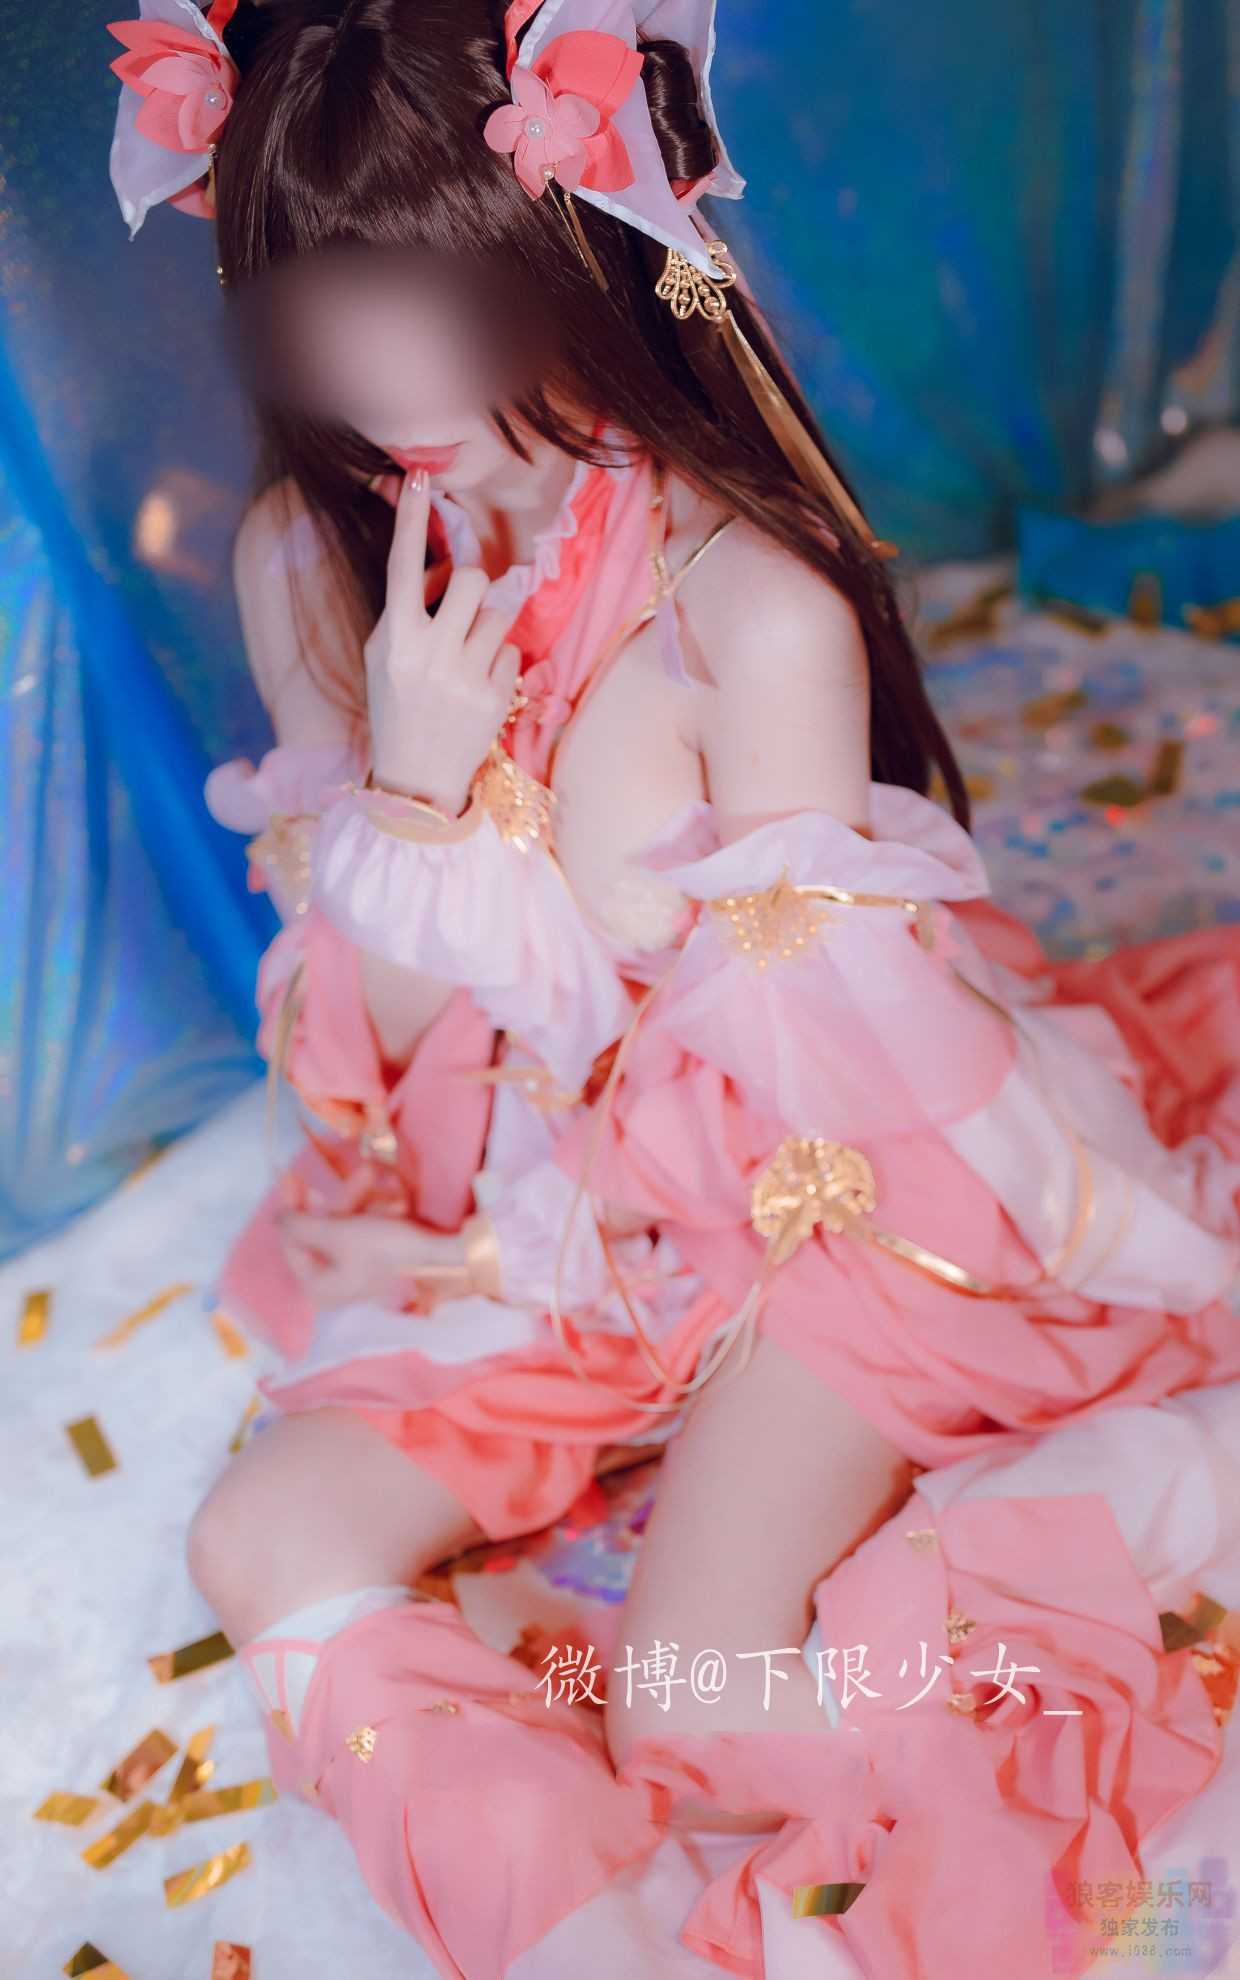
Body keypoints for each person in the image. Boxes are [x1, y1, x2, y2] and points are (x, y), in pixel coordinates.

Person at [106, 1, 1240, 1973]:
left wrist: (611, 1278)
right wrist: (407, 795)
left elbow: (846, 1088)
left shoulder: (746, 607)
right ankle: (585, 1936)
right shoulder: (310, 557)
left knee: (698, 1701)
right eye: (324, 301)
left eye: (436, 292)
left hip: (810, 1195)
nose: (385, 377)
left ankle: (1148, 1554)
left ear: (570, 250)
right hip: (529, 1199)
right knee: (261, 1540)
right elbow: (380, 1056)